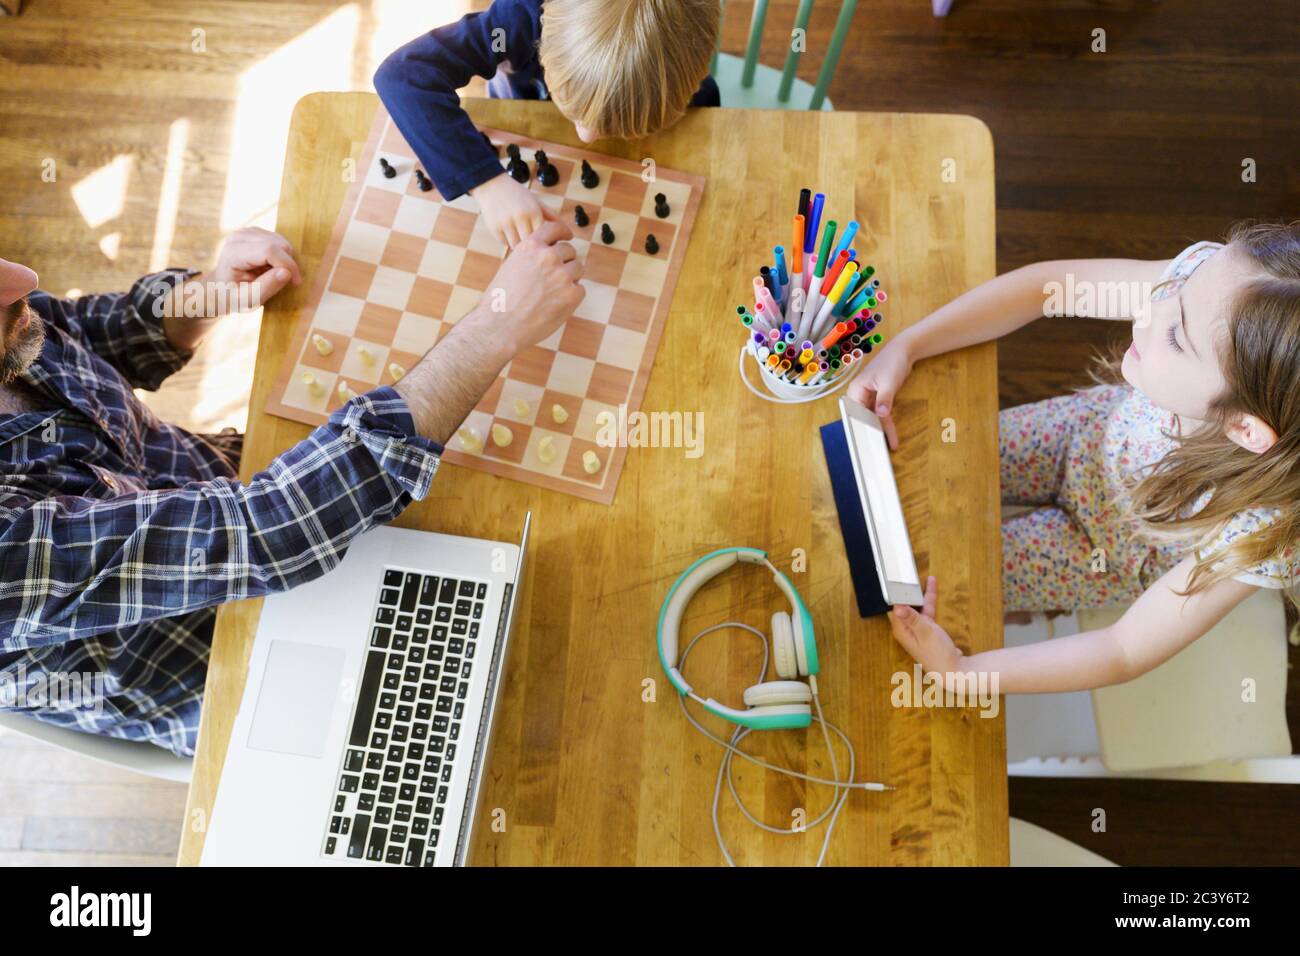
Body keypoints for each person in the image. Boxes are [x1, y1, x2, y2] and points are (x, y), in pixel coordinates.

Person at [0, 221, 583, 754]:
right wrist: (495, 328)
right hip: (257, 665)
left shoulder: (9, 313)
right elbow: (268, 532)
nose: (22, 281)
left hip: (261, 482)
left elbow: (90, 331)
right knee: (542, 706)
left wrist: (211, 293)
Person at [850, 221, 1300, 693]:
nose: (1153, 305)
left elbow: (1122, 649)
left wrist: (962, 674)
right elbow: (1048, 289)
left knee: (915, 584)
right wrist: (909, 345)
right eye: (1179, 287)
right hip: (1079, 434)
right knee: (911, 468)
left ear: (1244, 428)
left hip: (1096, 551)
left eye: (1176, 338)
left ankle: (1033, 602)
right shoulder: (1210, 285)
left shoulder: (1267, 531)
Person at [374, 0, 721, 247]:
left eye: (614, 124)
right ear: (543, 44)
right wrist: (487, 183)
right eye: (572, 107)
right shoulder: (517, 21)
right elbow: (402, 76)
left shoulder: (683, 65)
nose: (585, 136)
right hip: (520, 108)